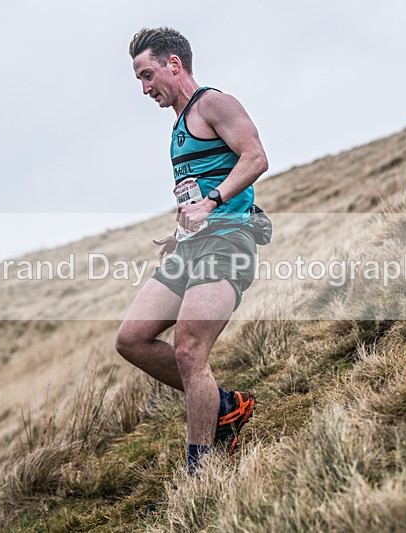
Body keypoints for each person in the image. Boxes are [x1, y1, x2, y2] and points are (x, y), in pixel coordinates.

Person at [115, 27, 268, 476]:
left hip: (227, 244)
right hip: (192, 247)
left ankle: (200, 472)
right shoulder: (178, 127)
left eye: (147, 75)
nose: (145, 88)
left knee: (188, 352)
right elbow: (193, 195)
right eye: (140, 80)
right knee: (131, 339)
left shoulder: (214, 104)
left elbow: (256, 157)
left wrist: (214, 200)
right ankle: (223, 404)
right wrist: (179, 233)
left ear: (174, 65)